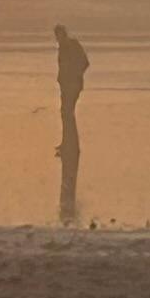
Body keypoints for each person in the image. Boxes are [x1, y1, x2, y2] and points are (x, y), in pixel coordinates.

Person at [53, 24, 91, 226]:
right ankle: (67, 143)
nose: (57, 39)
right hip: (66, 84)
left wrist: (75, 76)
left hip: (73, 84)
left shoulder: (73, 46)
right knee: (65, 113)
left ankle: (71, 144)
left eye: (57, 35)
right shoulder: (62, 47)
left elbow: (85, 63)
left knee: (67, 113)